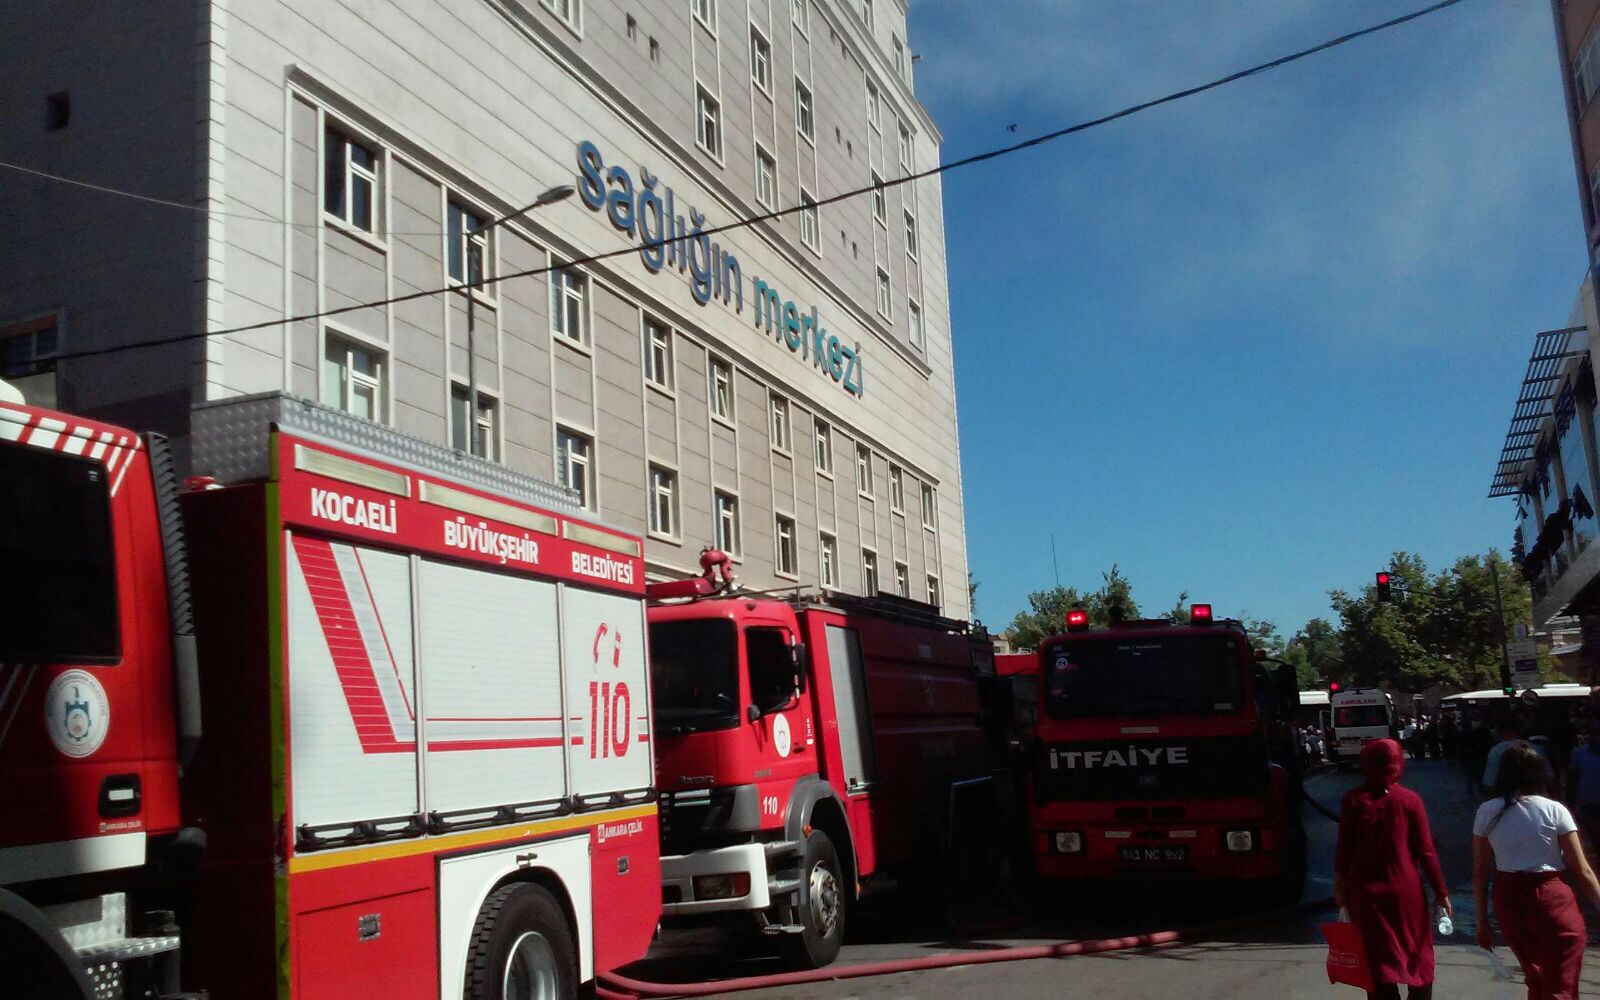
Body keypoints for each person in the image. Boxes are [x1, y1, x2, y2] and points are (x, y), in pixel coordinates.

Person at [1474, 743, 1600, 1000]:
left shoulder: (1487, 811)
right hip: (1551, 897)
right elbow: (1582, 870)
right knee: (1561, 983)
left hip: (1509, 898)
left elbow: (1480, 873)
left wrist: (1482, 922)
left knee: (1537, 978)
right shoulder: (1555, 810)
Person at [1335, 739, 1450, 1000]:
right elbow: (1426, 851)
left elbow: (1344, 847)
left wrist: (1339, 886)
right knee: (1416, 953)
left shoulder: (1352, 800)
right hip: (1405, 892)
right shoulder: (1410, 800)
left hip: (1365, 893)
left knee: (1377, 960)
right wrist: (1440, 891)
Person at [1566, 725, 1600, 851]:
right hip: (1589, 803)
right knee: (1595, 840)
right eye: (1594, 733)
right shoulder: (1579, 753)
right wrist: (1570, 803)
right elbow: (1572, 778)